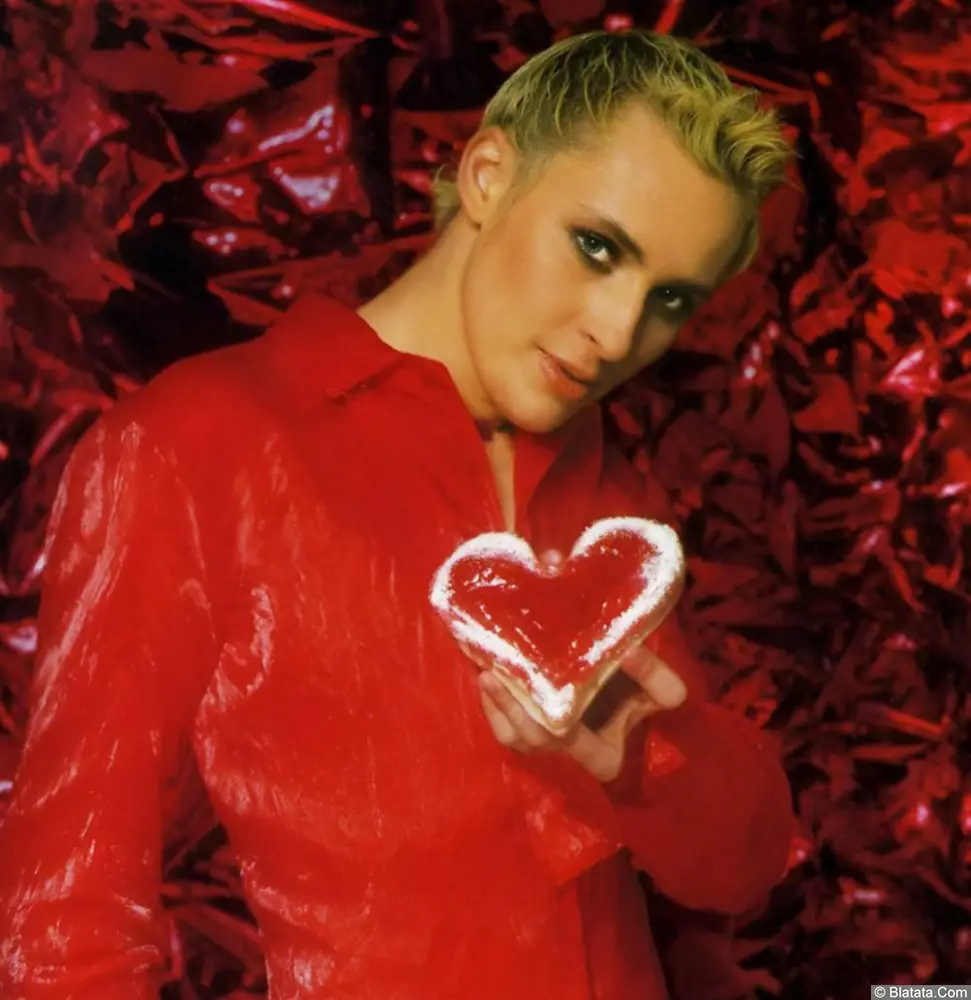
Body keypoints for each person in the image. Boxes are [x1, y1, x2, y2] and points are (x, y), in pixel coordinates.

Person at [0, 28, 796, 1000]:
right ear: (488, 176)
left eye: (670, 297)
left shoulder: (607, 497)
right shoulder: (197, 445)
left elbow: (743, 868)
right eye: (596, 248)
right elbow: (62, 924)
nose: (619, 331)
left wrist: (643, 765)